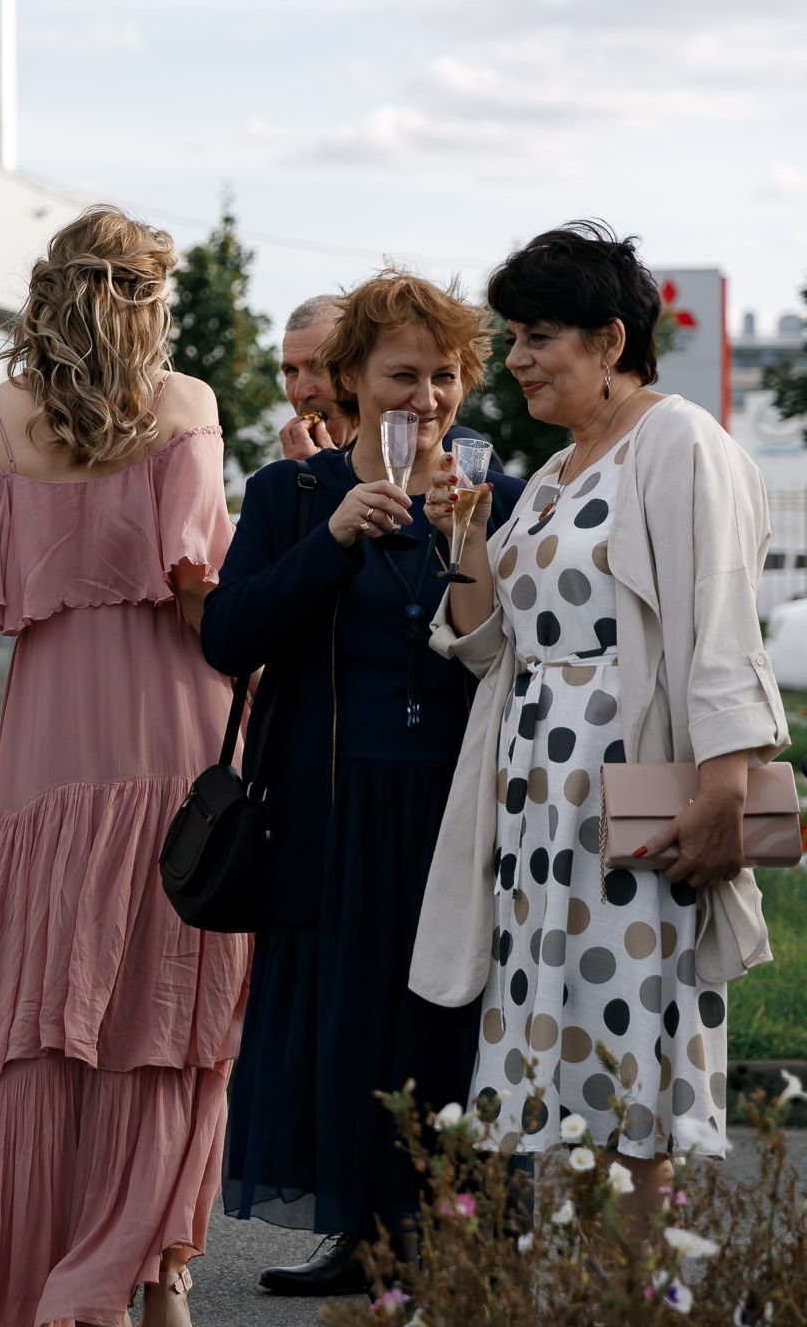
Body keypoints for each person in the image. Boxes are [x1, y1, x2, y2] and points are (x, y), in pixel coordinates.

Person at [0, 207, 246, 1327]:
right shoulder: (186, 405)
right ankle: (152, 1275)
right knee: (163, 1005)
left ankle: (20, 1275)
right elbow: (199, 588)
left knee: (39, 1015)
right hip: (174, 725)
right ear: (145, 300)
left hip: (54, 736)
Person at [415, 222, 785, 1215]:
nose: (518, 361)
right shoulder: (554, 472)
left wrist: (725, 789)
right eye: (516, 338)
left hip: (632, 794)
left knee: (632, 1081)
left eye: (538, 336)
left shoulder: (678, 441)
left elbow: (718, 620)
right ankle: (595, 1292)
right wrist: (465, 529)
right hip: (541, 809)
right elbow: (494, 649)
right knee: (564, 1075)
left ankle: (637, 1291)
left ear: (610, 340)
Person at [201, 271, 526, 1293]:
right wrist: (335, 540)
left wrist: (461, 534)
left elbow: (510, 650)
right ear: (350, 379)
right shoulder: (290, 494)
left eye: (444, 376)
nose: (425, 397)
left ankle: (450, 1238)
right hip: (329, 806)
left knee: (449, 1020)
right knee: (345, 1020)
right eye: (401, 375)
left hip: (455, 804)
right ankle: (363, 1235)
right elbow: (228, 636)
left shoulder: (498, 495)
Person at [277, 294, 355, 460]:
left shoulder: (404, 464)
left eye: (319, 367)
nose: (300, 393)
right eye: (291, 371)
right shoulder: (267, 483)